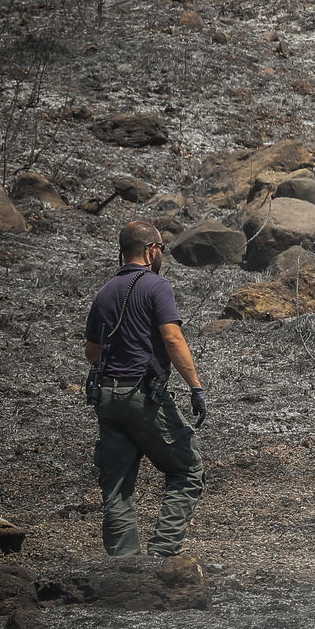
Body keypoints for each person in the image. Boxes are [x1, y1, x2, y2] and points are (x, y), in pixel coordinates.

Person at [84, 220, 207, 557]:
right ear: (151, 249)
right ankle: (161, 555)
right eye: (161, 249)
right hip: (141, 396)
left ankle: (125, 567)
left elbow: (92, 352)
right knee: (187, 468)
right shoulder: (157, 286)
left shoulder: (105, 291)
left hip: (106, 399)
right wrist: (196, 387)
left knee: (118, 485)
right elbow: (172, 337)